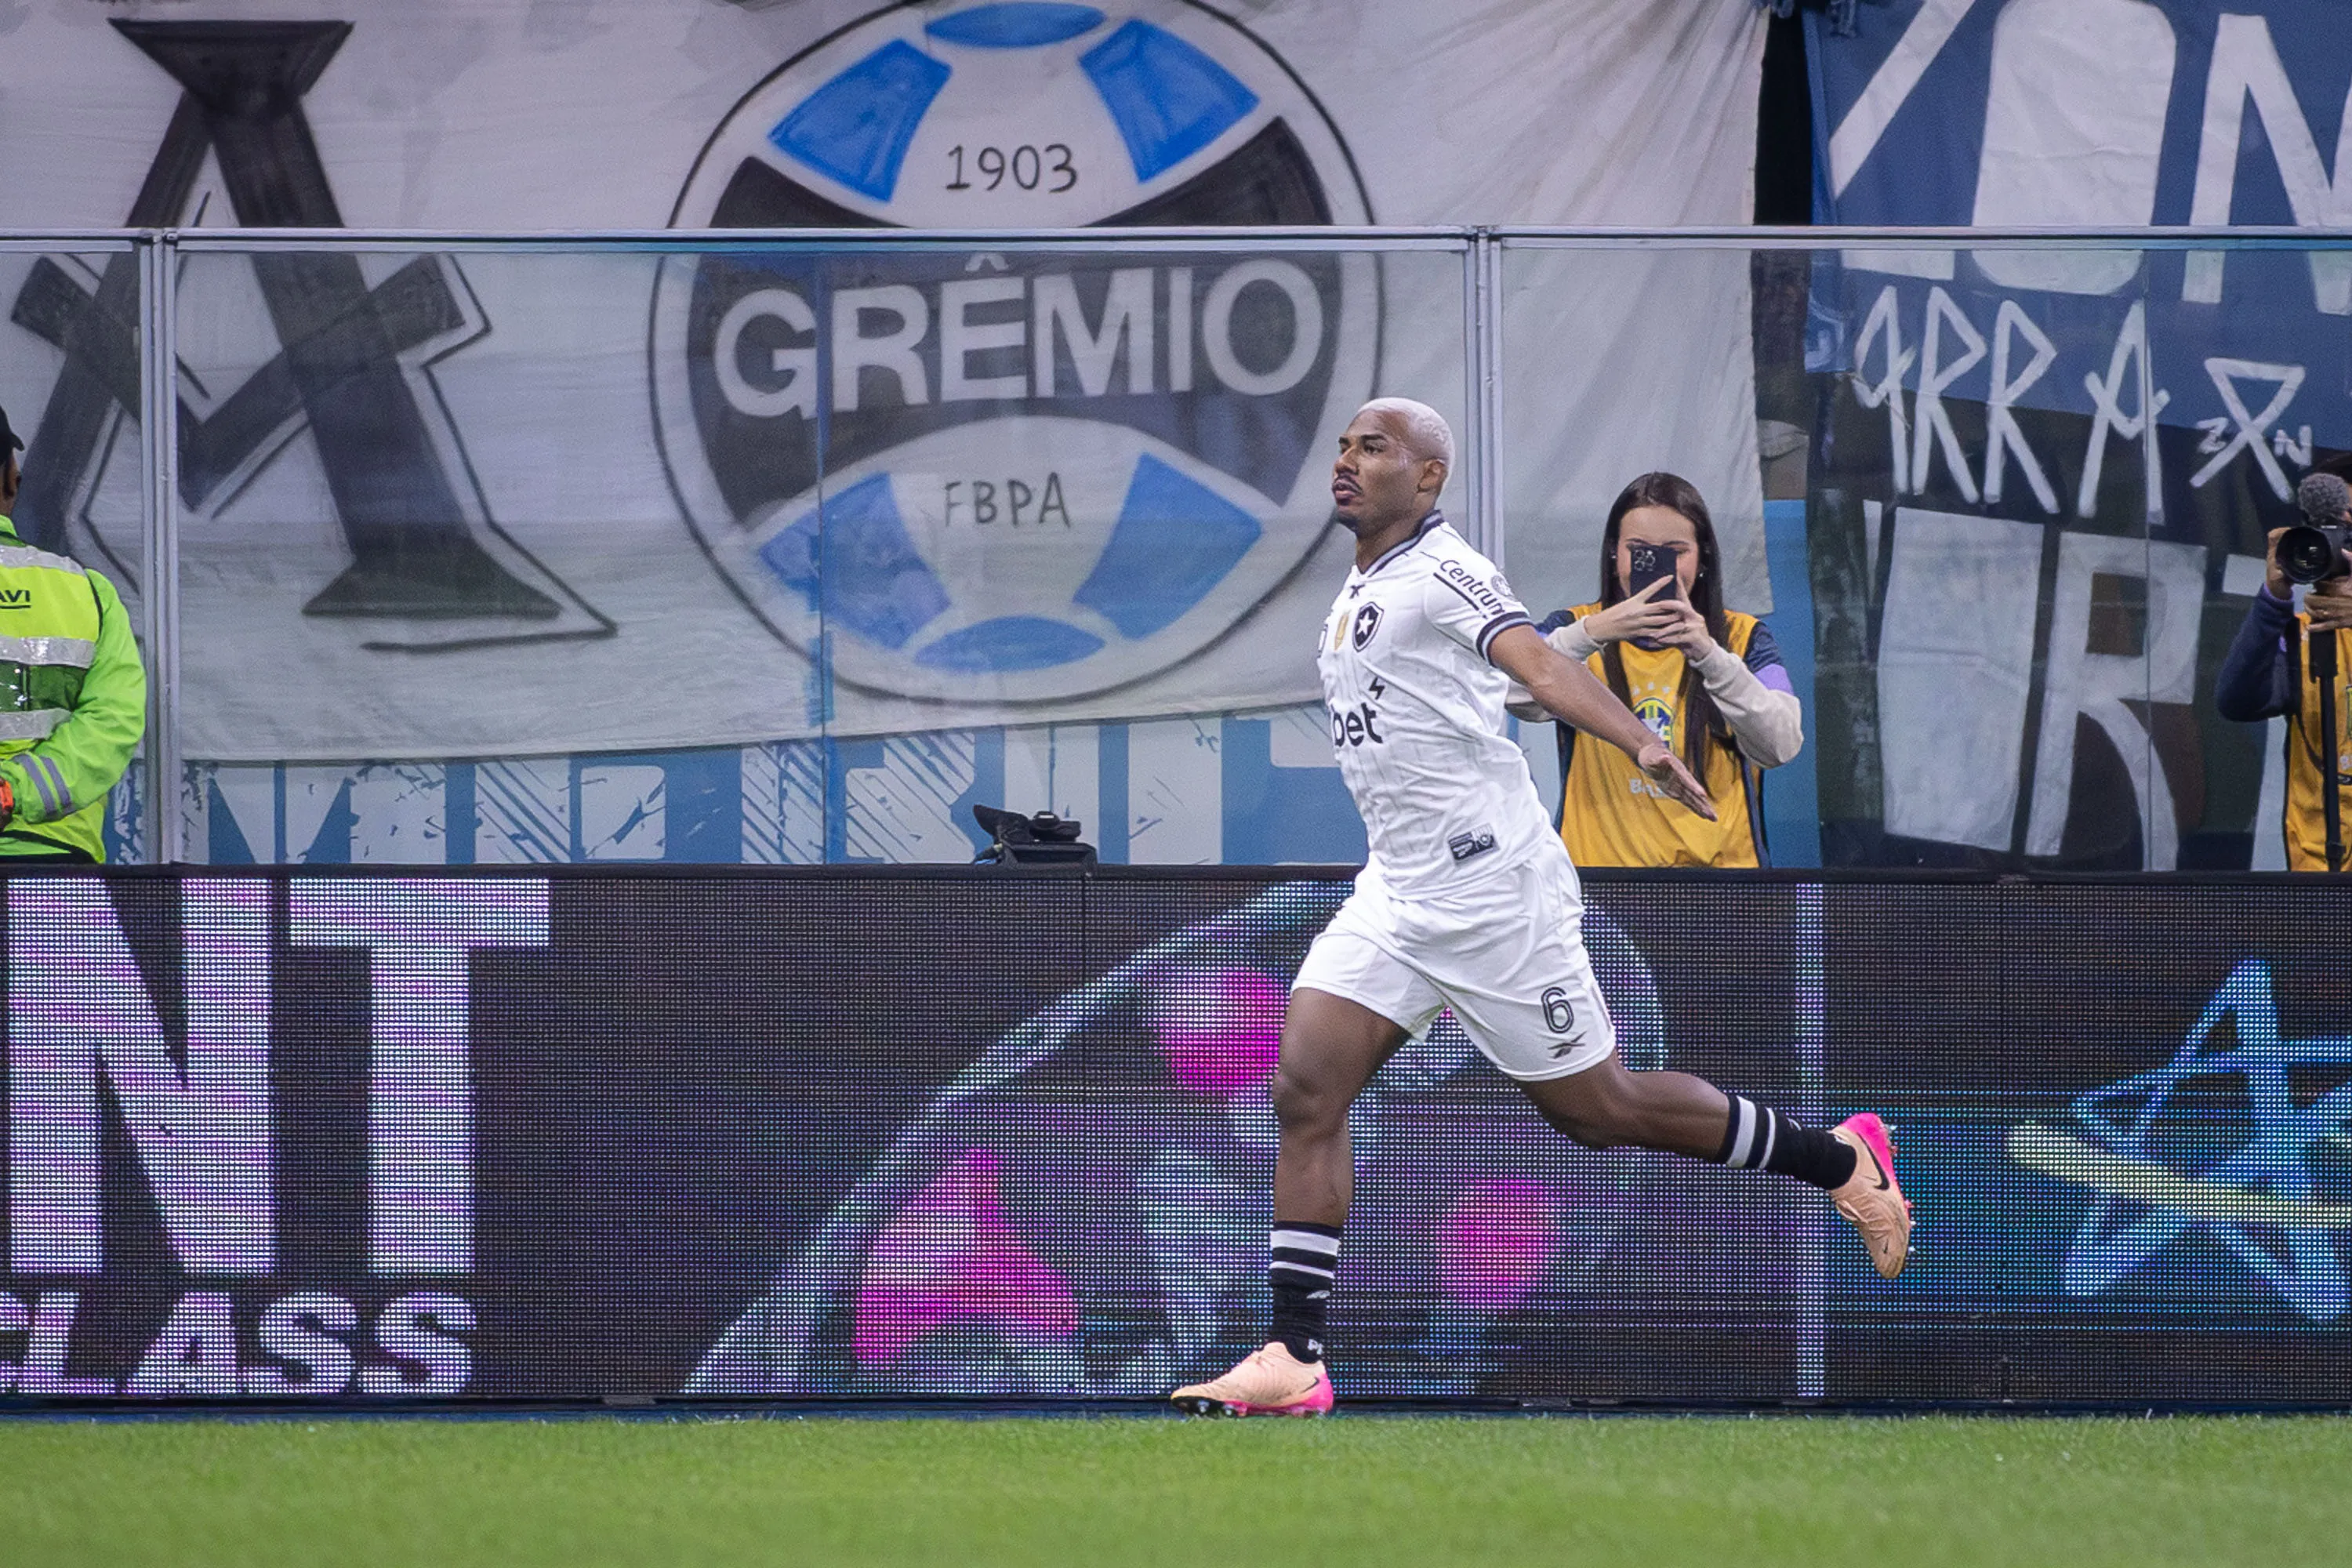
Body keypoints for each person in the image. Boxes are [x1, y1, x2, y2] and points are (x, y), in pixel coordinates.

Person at [1168, 399, 1911, 1417]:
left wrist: (1640, 740)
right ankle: (1295, 1355)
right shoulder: (1365, 584)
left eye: (1373, 447)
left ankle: (1840, 1159)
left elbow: (1541, 665)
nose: (1346, 460)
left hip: (1492, 895)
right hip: (1400, 892)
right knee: (1306, 1086)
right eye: (1341, 444)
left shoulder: (1445, 569)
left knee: (1599, 1112)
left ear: (1428, 477)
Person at [1512, 472, 1801, 866]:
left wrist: (1707, 653)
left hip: (1724, 889)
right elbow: (1510, 694)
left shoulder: (1744, 637)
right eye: (1640, 551)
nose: (1657, 566)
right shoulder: (1574, 630)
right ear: (1615, 555)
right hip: (1601, 890)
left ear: (1702, 560)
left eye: (1675, 552)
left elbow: (1781, 744)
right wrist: (1595, 631)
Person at [0, 402, 147, 862]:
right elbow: (113, 722)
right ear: (11, 480)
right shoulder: (88, 594)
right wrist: (12, 793)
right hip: (54, 867)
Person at [2215, 465, 2352, 871]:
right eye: (2331, 533)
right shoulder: (2305, 636)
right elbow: (2235, 701)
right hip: (2321, 871)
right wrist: (2273, 600)